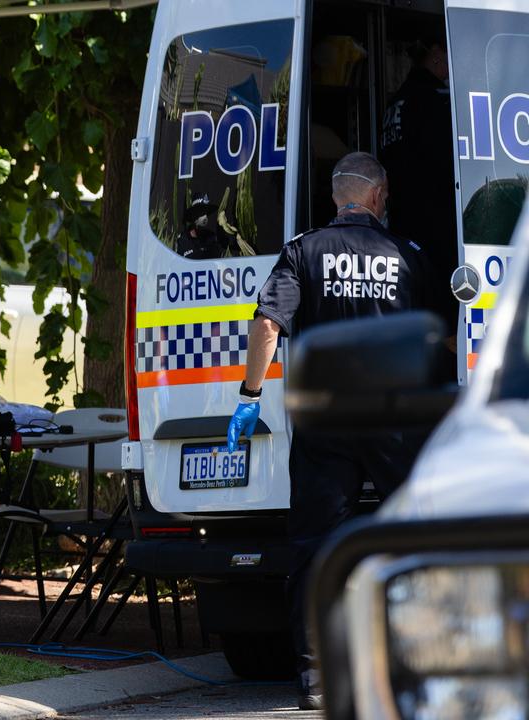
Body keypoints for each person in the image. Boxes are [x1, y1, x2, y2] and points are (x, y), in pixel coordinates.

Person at [225, 152, 435, 710]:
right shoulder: (408, 257)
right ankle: (414, 663)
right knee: (413, 542)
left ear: (336, 196)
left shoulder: (303, 250)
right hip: (394, 418)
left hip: (326, 422)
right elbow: (438, 336)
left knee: (315, 546)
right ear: (378, 195)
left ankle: (316, 676)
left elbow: (267, 323)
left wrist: (249, 397)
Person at [380, 34, 459, 340]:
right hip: (438, 226)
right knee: (444, 315)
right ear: (436, 55)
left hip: (403, 225)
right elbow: (449, 164)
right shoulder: (434, 98)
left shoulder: (396, 101)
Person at [175, 193, 228, 259]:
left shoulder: (212, 238)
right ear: (192, 215)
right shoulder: (183, 240)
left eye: (205, 212)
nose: (204, 217)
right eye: (200, 211)